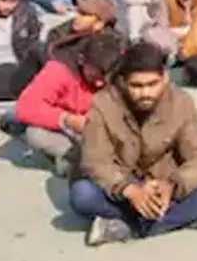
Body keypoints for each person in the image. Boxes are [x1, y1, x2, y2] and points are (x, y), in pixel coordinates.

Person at [72, 41, 197, 246]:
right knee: (82, 195)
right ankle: (178, 219)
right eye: (137, 86)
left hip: (164, 185)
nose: (145, 93)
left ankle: (127, 228)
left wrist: (171, 186)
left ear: (165, 78)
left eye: (152, 84)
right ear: (123, 81)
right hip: (123, 184)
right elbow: (95, 161)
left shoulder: (181, 103)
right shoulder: (102, 104)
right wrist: (130, 190)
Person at [8, 31, 125, 176]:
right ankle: (77, 158)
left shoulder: (119, 73)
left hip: (103, 129)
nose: (99, 83)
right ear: (82, 60)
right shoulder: (58, 70)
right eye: (94, 76)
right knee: (35, 134)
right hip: (68, 129)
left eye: (105, 78)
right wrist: (67, 119)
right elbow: (26, 107)